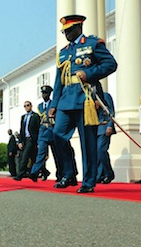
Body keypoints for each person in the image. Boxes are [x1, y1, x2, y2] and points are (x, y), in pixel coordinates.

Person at [48, 14, 117, 193]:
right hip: (65, 100)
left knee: (88, 142)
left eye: (69, 31)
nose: (66, 35)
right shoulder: (63, 52)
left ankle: (88, 181)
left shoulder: (93, 44)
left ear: (79, 28)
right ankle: (69, 173)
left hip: (86, 98)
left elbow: (111, 64)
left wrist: (90, 73)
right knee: (58, 134)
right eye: (64, 32)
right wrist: (53, 105)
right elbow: (58, 81)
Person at [23, 86, 59, 182]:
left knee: (56, 154)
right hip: (43, 132)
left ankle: (59, 174)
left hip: (52, 130)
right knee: (40, 154)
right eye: (43, 93)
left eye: (46, 93)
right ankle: (34, 173)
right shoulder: (39, 106)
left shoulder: (53, 104)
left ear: (49, 94)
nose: (44, 95)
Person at [13, 100, 40, 180]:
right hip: (25, 140)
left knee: (25, 157)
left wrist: (38, 141)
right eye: (25, 106)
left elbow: (38, 128)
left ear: (31, 106)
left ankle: (20, 175)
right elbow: (21, 130)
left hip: (32, 139)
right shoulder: (23, 117)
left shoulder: (35, 116)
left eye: (28, 105)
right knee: (33, 157)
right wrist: (20, 142)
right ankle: (43, 172)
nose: (26, 107)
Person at [96, 92, 116, 184]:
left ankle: (109, 173)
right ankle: (100, 175)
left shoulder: (104, 96)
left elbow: (111, 111)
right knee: (96, 153)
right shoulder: (88, 97)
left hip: (104, 127)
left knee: (101, 150)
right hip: (94, 128)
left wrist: (110, 126)